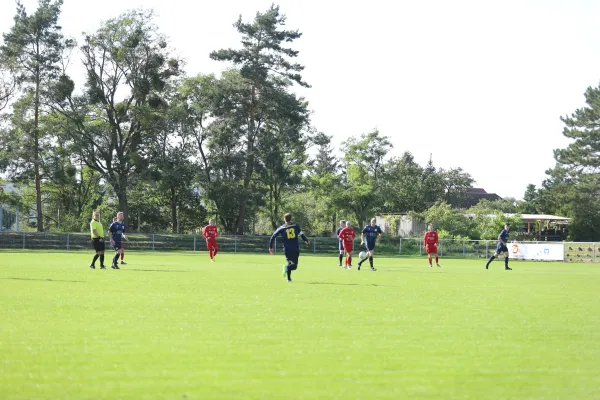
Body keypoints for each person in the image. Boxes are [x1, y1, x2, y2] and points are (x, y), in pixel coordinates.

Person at [268, 213, 310, 282]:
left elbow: (272, 237)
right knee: (294, 266)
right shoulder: (296, 226)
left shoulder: (281, 228)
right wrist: (306, 240)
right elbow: (302, 235)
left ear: (284, 219)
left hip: (287, 249)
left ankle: (289, 279)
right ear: (291, 218)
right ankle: (286, 268)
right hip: (295, 248)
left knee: (290, 262)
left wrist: (270, 247)